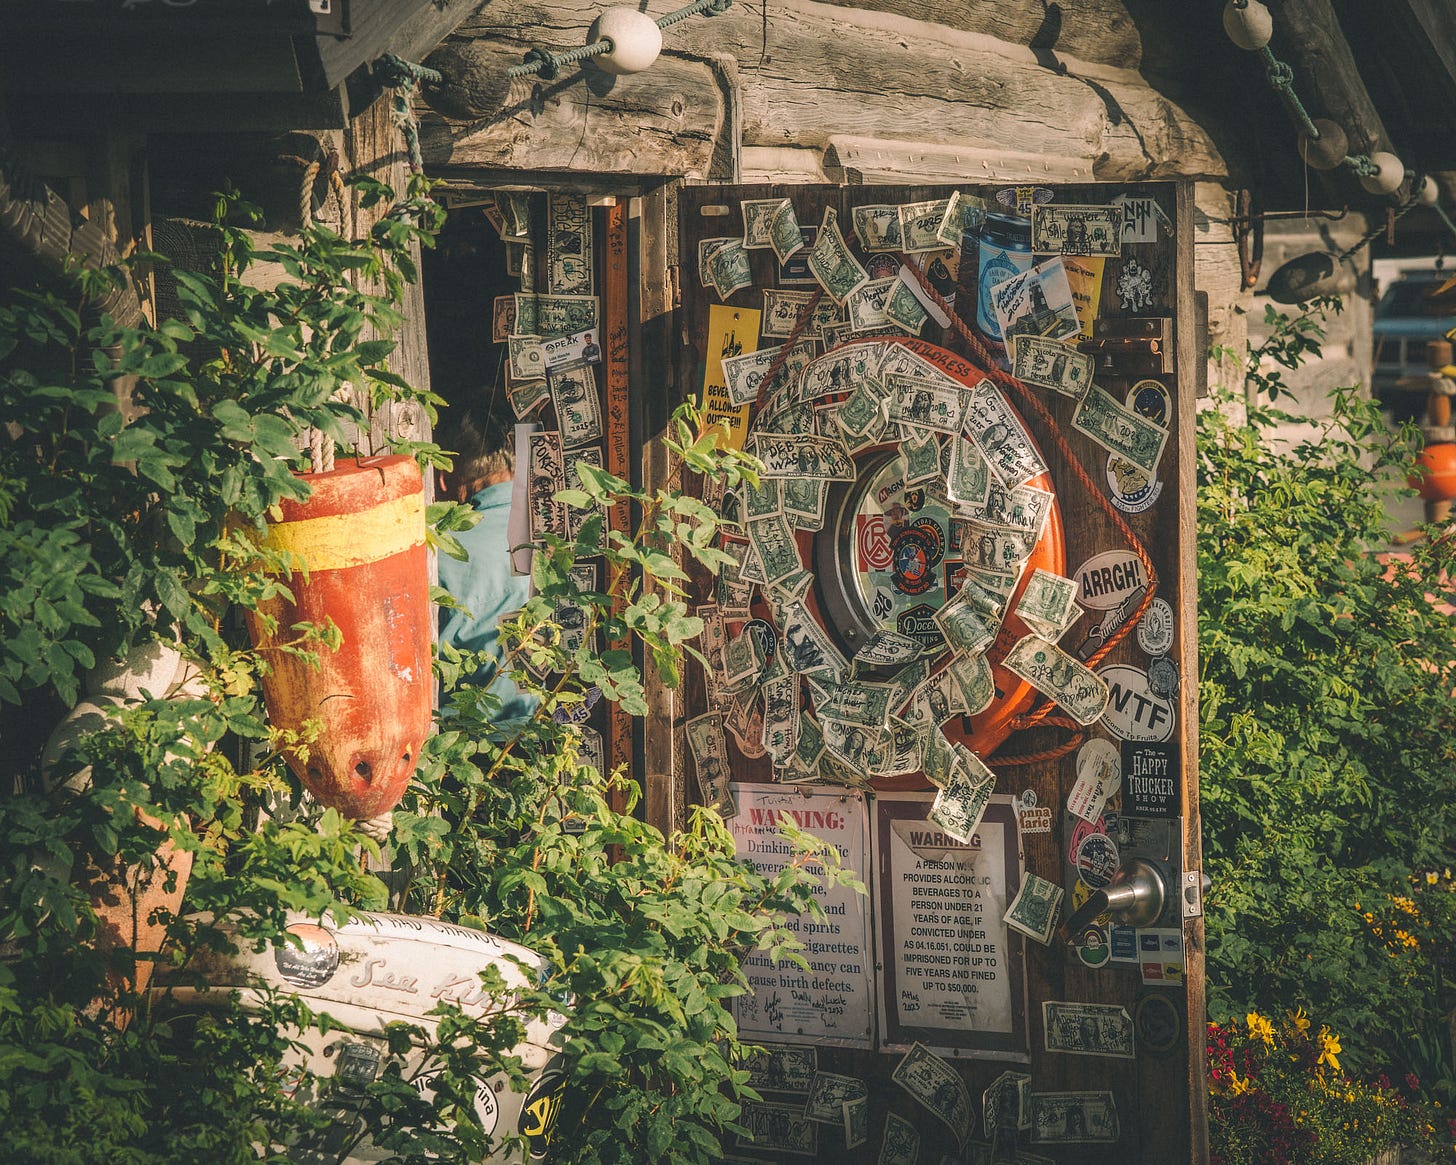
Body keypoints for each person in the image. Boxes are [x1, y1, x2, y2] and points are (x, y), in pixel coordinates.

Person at [435, 406, 537, 722]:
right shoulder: (553, 535)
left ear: (443, 479)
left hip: (455, 737)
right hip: (537, 732)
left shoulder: (440, 550)